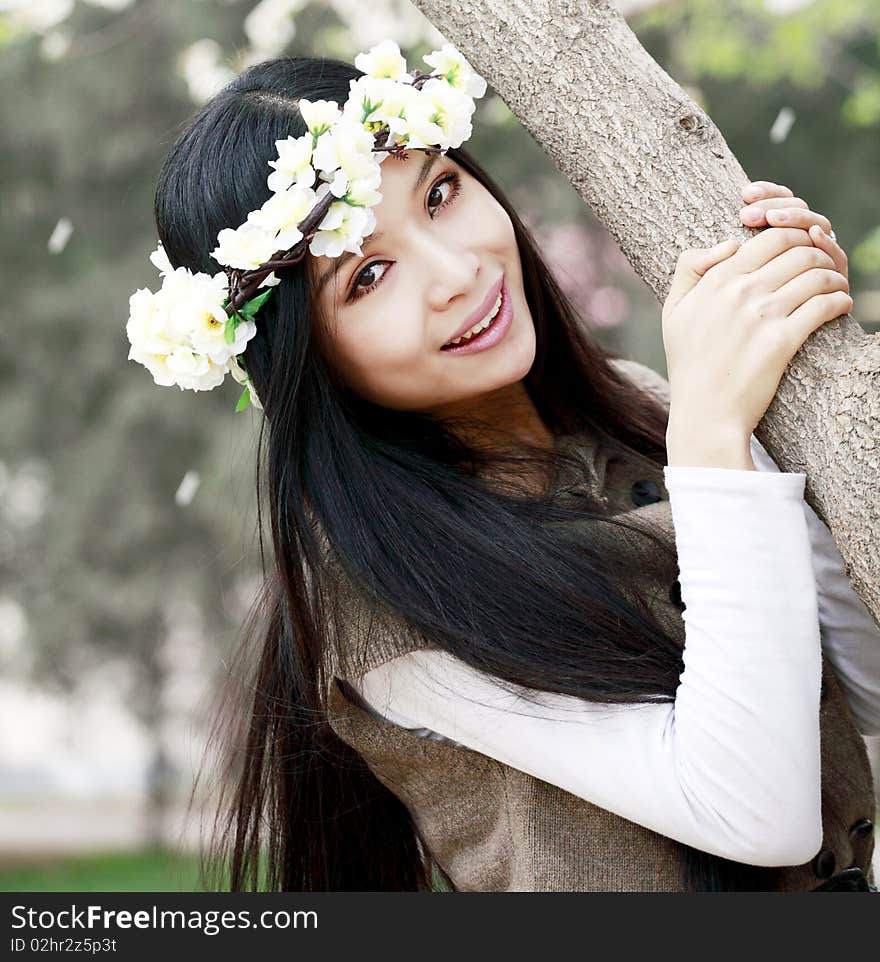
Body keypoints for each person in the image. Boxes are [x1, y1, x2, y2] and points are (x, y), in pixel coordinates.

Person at [135, 45, 879, 892]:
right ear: (303, 360)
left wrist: (781, 378)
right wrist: (716, 432)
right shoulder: (380, 602)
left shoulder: (641, 410)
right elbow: (758, 814)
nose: (457, 272)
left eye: (440, 194)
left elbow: (862, 690)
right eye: (368, 274)